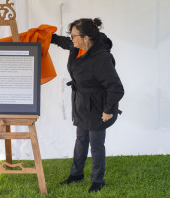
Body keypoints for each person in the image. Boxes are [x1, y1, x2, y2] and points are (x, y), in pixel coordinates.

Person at [51, 18, 124, 192]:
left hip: (98, 107)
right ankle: (76, 174)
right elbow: (63, 42)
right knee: (81, 140)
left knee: (96, 145)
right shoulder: (76, 48)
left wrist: (108, 110)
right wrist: (50, 37)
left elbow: (116, 87)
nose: (71, 39)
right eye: (71, 35)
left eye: (74, 35)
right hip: (81, 103)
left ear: (86, 38)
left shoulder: (102, 57)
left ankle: (98, 180)